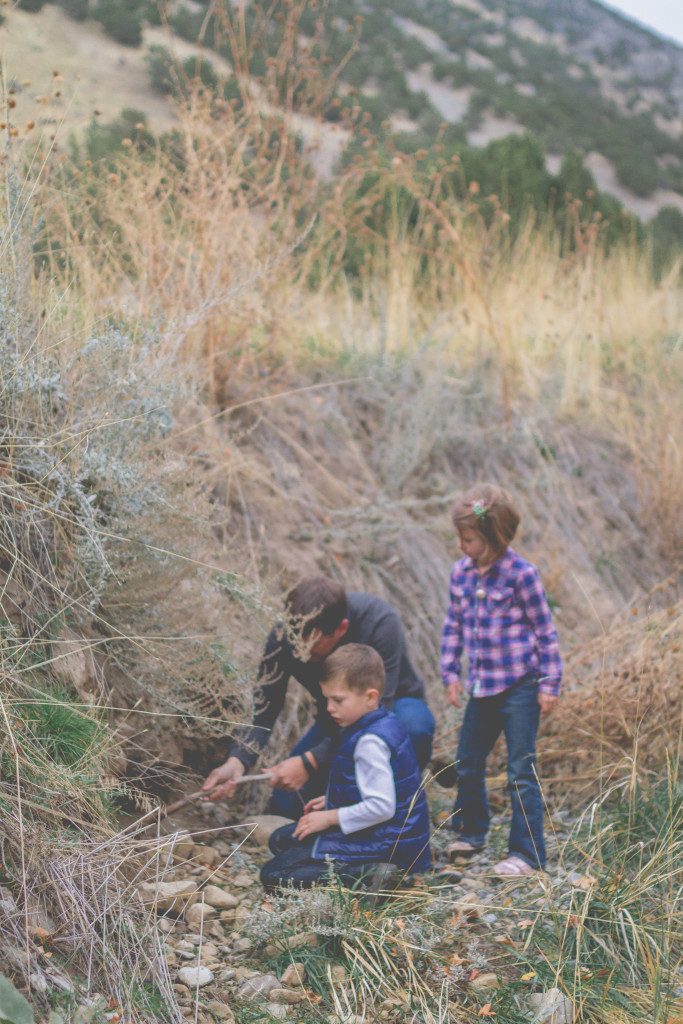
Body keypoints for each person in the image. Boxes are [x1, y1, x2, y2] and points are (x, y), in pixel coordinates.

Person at [202, 575, 435, 818]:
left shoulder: (378, 621)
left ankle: (399, 808)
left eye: (311, 649)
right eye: (294, 643)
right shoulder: (284, 639)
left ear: (341, 629)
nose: (299, 653)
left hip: (393, 708)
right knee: (286, 806)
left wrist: (310, 761)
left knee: (414, 727)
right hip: (335, 720)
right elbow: (263, 709)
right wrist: (238, 760)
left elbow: (377, 714)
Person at [440, 483, 562, 876]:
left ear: (493, 538)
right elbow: (453, 625)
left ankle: (527, 855)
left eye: (468, 538)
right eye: (459, 537)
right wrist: (449, 671)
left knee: (520, 770)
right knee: (468, 762)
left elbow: (545, 631)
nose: (460, 545)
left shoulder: (522, 575)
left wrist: (550, 682)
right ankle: (472, 831)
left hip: (521, 686)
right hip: (483, 686)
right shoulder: (461, 573)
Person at [260, 644, 432, 891]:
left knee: (273, 873)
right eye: (327, 698)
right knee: (282, 840)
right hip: (384, 835)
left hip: (389, 844)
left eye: (338, 700)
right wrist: (333, 800)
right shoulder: (382, 721)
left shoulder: (369, 742)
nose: (329, 707)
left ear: (370, 697)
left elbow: (382, 806)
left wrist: (330, 817)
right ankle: (364, 870)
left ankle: (373, 874)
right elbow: (369, 786)